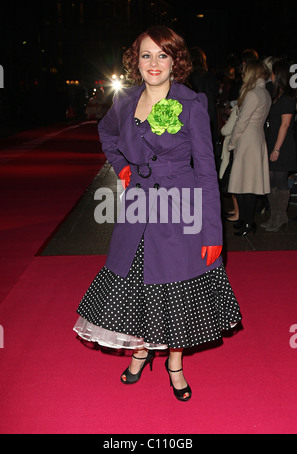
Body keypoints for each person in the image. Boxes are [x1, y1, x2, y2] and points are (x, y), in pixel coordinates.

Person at [73, 26, 241, 402]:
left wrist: (213, 231)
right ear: (136, 60)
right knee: (135, 285)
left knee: (176, 289)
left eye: (162, 55)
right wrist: (120, 166)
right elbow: (107, 134)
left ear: (175, 61)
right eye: (146, 55)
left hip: (181, 208)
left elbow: (205, 171)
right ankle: (141, 351)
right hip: (138, 207)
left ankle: (174, 364)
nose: (154, 63)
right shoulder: (125, 102)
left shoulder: (193, 104)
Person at [228, 60, 271, 236]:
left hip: (247, 140)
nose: (242, 74)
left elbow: (242, 121)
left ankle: (247, 222)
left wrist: (231, 141)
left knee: (245, 185)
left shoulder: (253, 94)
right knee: (247, 183)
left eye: (245, 71)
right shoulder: (264, 92)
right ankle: (245, 220)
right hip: (256, 138)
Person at [261, 59, 297, 232]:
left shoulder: (288, 99)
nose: (271, 76)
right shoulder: (277, 96)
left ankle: (279, 217)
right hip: (273, 142)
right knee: (270, 180)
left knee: (280, 181)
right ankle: (275, 216)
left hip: (283, 146)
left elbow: (285, 125)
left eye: (273, 73)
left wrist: (276, 149)